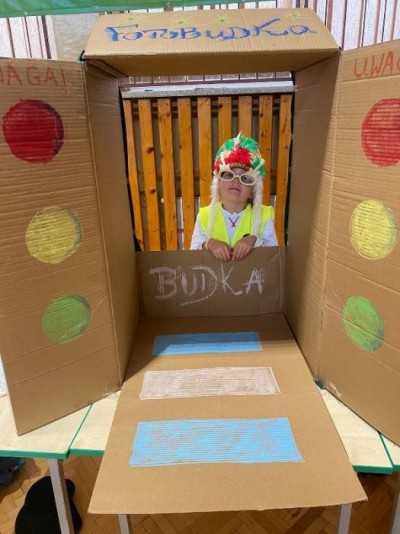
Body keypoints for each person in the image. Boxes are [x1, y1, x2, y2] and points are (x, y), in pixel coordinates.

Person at [190, 133, 278, 261]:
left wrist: (255, 240)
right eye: (229, 175)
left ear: (253, 190)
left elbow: (274, 255)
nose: (236, 181)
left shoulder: (264, 215)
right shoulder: (204, 216)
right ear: (218, 183)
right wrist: (208, 244)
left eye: (245, 178)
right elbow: (192, 255)